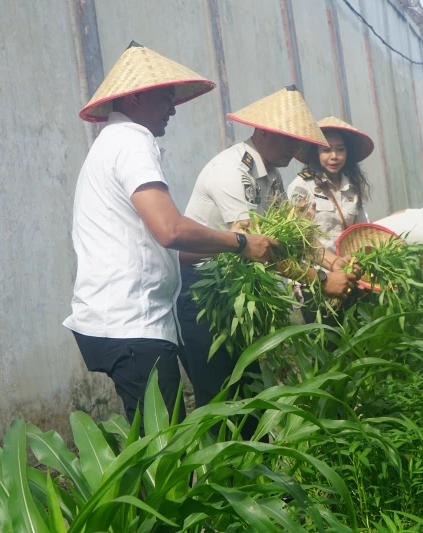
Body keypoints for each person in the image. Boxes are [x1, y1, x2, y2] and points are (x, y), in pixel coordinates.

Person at [63, 42, 279, 430]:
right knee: (166, 461)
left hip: (119, 321)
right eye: (166, 97)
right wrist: (242, 244)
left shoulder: (111, 144)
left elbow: (160, 248)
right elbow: (170, 230)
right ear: (135, 96)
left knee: (160, 447)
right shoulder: (132, 140)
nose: (173, 108)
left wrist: (222, 242)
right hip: (132, 325)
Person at [178, 86, 358, 426]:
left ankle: (249, 474)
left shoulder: (271, 175)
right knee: (219, 404)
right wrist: (320, 280)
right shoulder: (234, 171)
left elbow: (290, 235)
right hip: (206, 294)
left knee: (250, 397)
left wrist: (334, 262)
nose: (297, 149)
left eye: (299, 141)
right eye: (290, 140)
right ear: (263, 131)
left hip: (241, 294)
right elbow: (258, 250)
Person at [288, 116, 373, 254]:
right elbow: (295, 235)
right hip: (318, 269)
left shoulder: (352, 188)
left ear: (347, 152)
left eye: (340, 149)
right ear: (316, 153)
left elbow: (363, 230)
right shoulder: (302, 185)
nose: (334, 156)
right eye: (326, 150)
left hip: (349, 265)